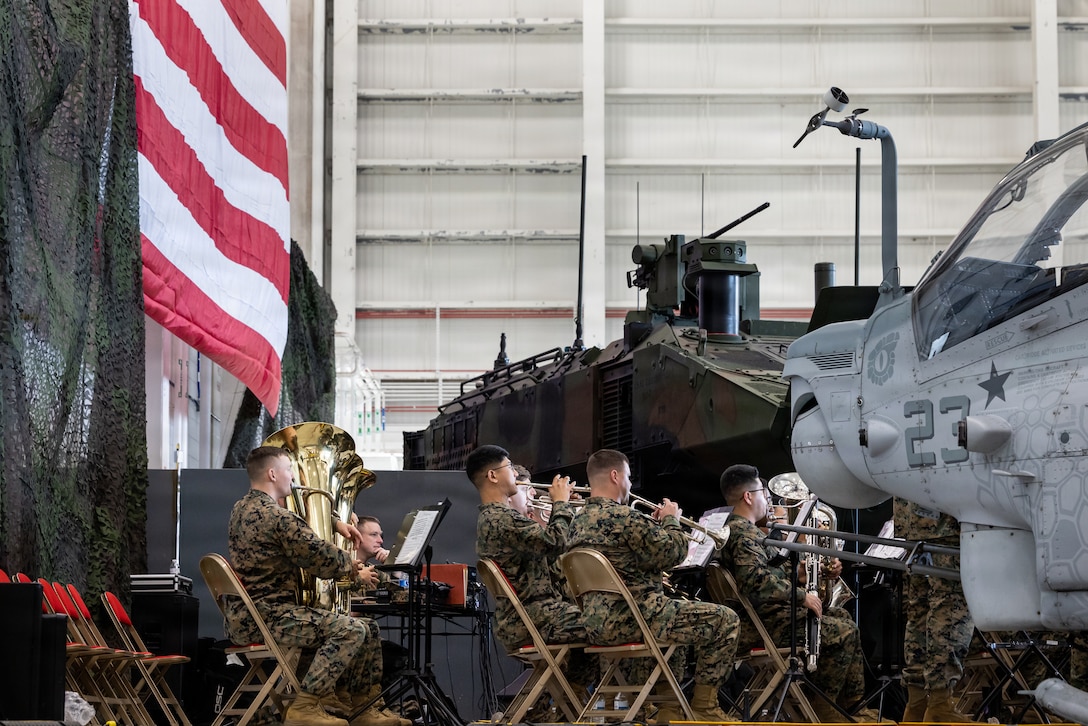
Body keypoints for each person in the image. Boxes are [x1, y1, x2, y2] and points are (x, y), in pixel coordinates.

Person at [225, 445, 406, 726]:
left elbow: (298, 536)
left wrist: (334, 523)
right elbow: (319, 557)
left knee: (368, 628)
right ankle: (305, 707)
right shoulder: (277, 517)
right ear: (273, 474)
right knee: (351, 629)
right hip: (269, 616)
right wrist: (351, 565)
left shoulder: (240, 509)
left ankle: (363, 708)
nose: (293, 477)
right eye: (289, 469)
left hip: (246, 617)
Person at [567, 448, 739, 723]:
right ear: (615, 476)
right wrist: (671, 518)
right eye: (629, 477)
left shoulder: (575, 524)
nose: (630, 484)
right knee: (725, 620)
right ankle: (704, 707)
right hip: (636, 618)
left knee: (678, 622)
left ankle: (668, 709)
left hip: (597, 624)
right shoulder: (625, 518)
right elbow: (673, 552)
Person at [718, 463, 881, 722]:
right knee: (843, 632)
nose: (768, 500)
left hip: (766, 616)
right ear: (748, 497)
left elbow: (771, 572)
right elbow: (754, 581)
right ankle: (826, 708)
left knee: (843, 618)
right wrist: (801, 595)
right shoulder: (743, 534)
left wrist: (808, 572)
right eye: (764, 493)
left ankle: (851, 707)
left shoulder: (742, 531)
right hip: (764, 622)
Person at [893, 497, 977, 722]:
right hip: (945, 517)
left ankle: (917, 706)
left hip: (912, 519)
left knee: (920, 609)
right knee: (951, 605)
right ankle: (939, 706)